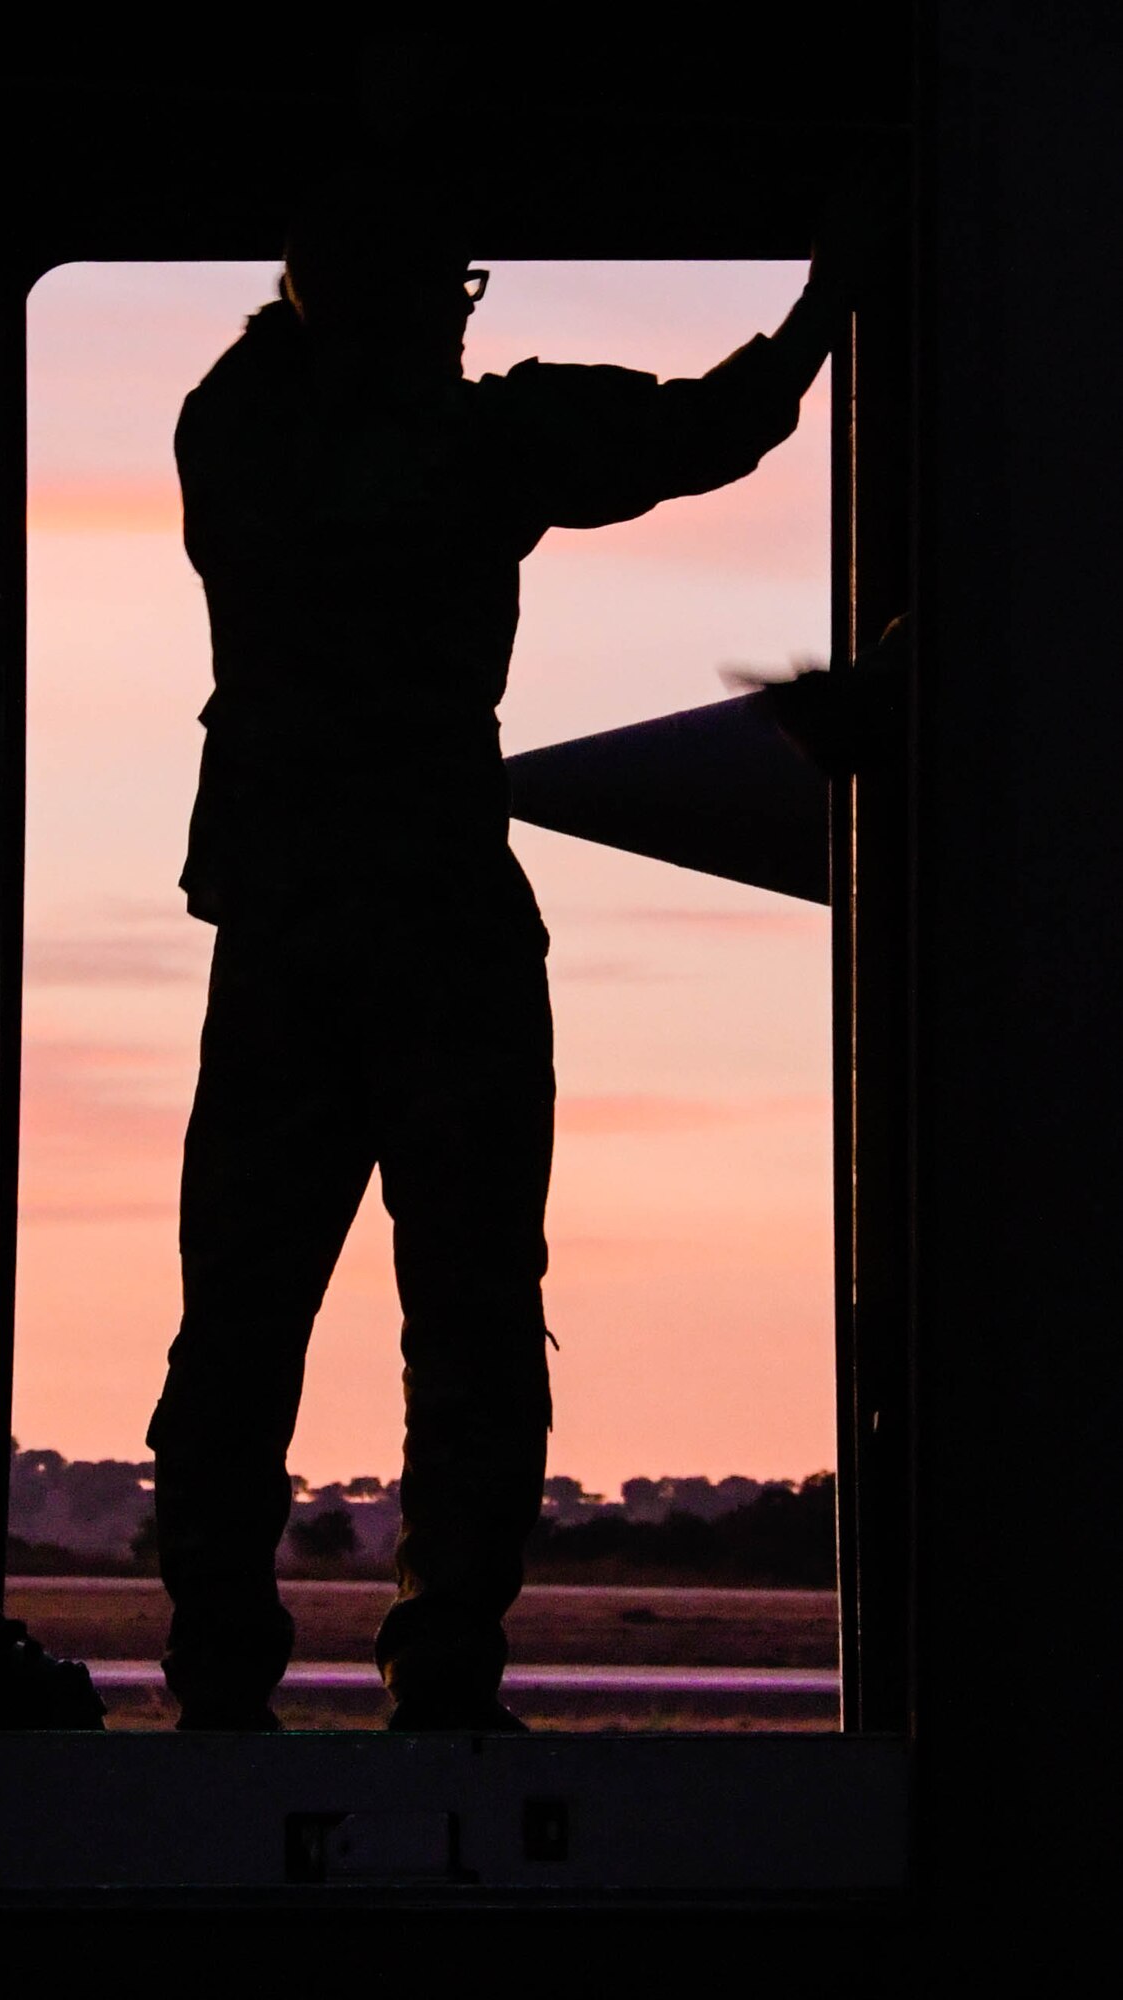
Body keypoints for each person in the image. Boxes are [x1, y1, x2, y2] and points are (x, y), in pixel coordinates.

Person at [146, 168, 846, 1731]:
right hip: (441, 927)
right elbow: (711, 428)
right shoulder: (477, 446)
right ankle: (444, 1667)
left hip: (282, 925)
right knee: (467, 1314)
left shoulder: (237, 431)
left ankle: (216, 1671)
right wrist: (825, 308)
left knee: (244, 1316)